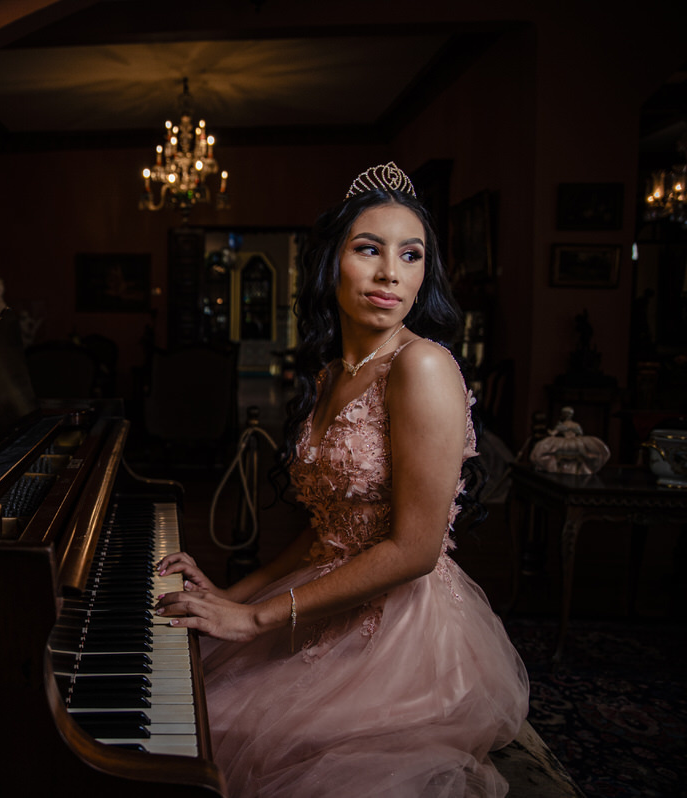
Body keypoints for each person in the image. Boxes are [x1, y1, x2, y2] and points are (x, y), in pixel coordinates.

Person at [155, 162, 529, 797]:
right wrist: (234, 595)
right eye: (368, 249)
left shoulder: (424, 367)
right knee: (191, 710)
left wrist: (254, 620)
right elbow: (327, 532)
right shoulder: (331, 375)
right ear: (330, 263)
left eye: (411, 255)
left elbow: (415, 550)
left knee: (226, 736)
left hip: (402, 630)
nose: (390, 273)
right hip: (325, 591)